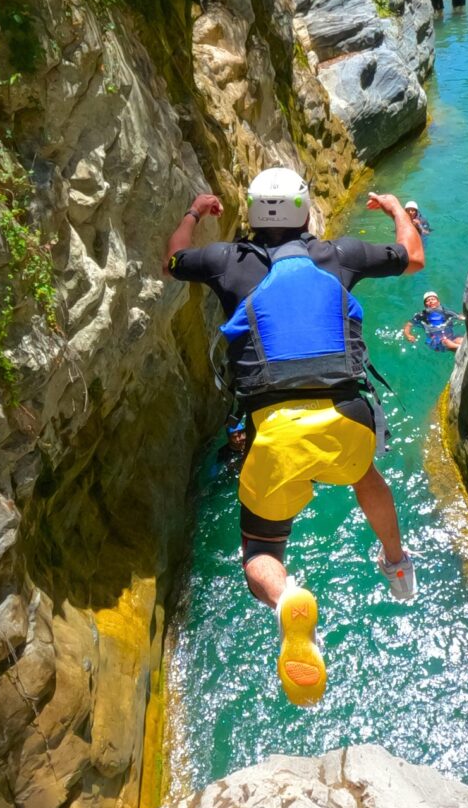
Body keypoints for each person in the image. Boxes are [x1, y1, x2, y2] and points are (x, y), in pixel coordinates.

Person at [163, 168, 424, 707]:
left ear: (254, 214)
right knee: (365, 474)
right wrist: (397, 210)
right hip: (347, 415)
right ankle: (397, 562)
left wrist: (194, 212)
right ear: (305, 212)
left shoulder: (225, 261)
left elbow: (171, 260)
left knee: (260, 548)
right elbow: (412, 257)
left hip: (273, 430)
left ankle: (288, 600)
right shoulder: (340, 255)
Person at [215, 414, 248, 479]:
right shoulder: (223, 452)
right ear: (229, 438)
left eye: (240, 434)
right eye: (234, 437)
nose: (238, 439)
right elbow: (216, 468)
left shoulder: (249, 443)